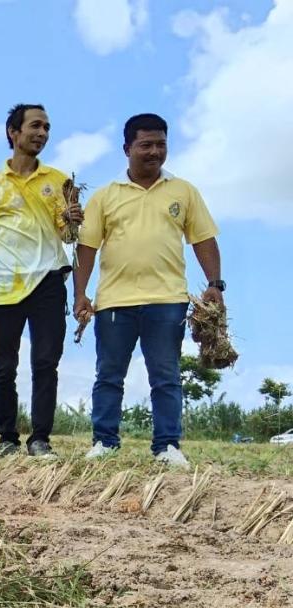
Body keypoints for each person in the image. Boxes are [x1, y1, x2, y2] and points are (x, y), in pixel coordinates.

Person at [73, 113, 222, 469]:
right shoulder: (106, 197)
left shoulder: (183, 191)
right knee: (109, 376)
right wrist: (80, 295)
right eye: (146, 145)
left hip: (167, 300)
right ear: (127, 149)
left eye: (161, 144)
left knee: (166, 376)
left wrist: (215, 285)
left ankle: (167, 446)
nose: (154, 152)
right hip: (113, 302)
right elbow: (87, 248)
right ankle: (105, 442)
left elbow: (203, 239)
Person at [0, 103, 83, 458]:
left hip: (48, 282)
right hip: (3, 286)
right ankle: (7, 440)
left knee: (46, 363)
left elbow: (68, 236)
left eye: (46, 127)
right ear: (13, 132)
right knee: (5, 367)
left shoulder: (60, 181)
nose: (42, 133)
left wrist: (73, 219)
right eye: (34, 126)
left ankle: (40, 439)